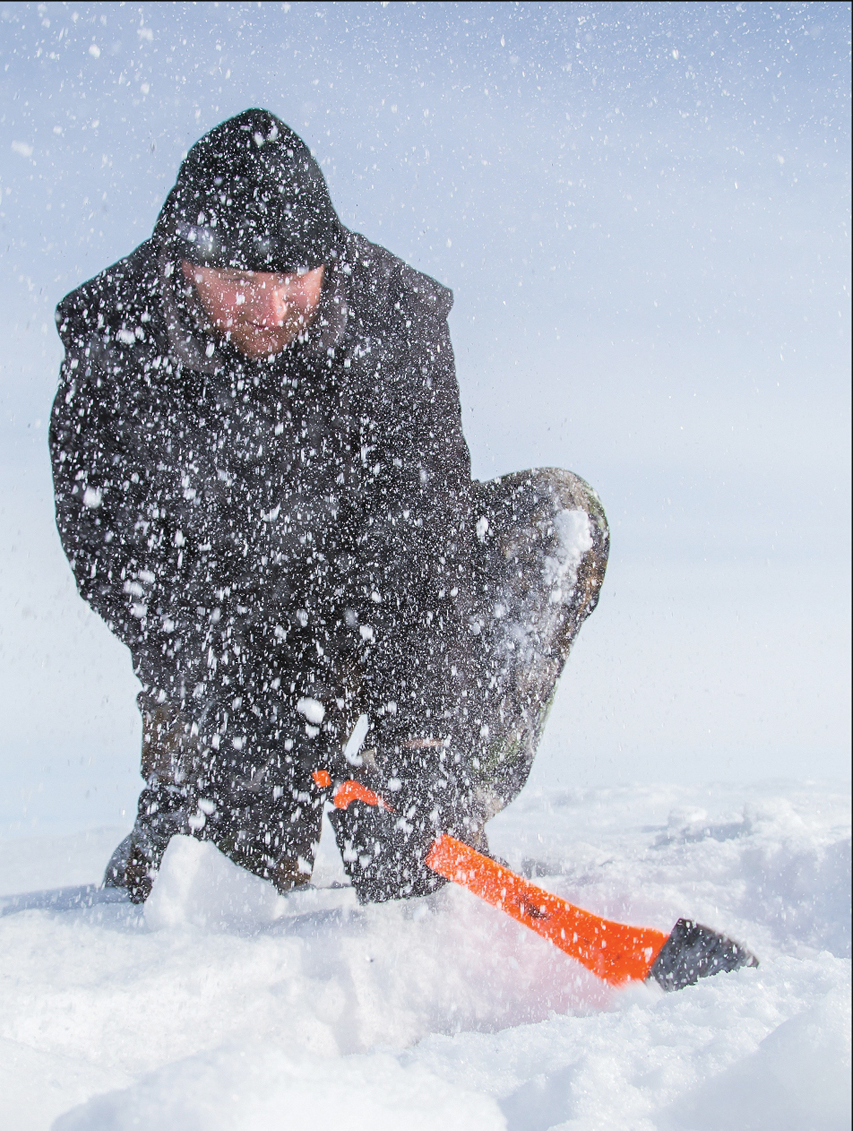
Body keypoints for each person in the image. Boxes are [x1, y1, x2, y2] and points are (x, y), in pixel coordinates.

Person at [49, 108, 608, 905]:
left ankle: (441, 801)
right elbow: (115, 555)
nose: (269, 312)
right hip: (225, 633)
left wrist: (424, 740)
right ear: (183, 266)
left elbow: (429, 534)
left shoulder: (396, 316)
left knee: (556, 517)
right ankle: (190, 818)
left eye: (291, 281)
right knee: (214, 885)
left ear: (328, 261)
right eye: (240, 282)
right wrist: (236, 698)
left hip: (371, 595)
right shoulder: (114, 336)